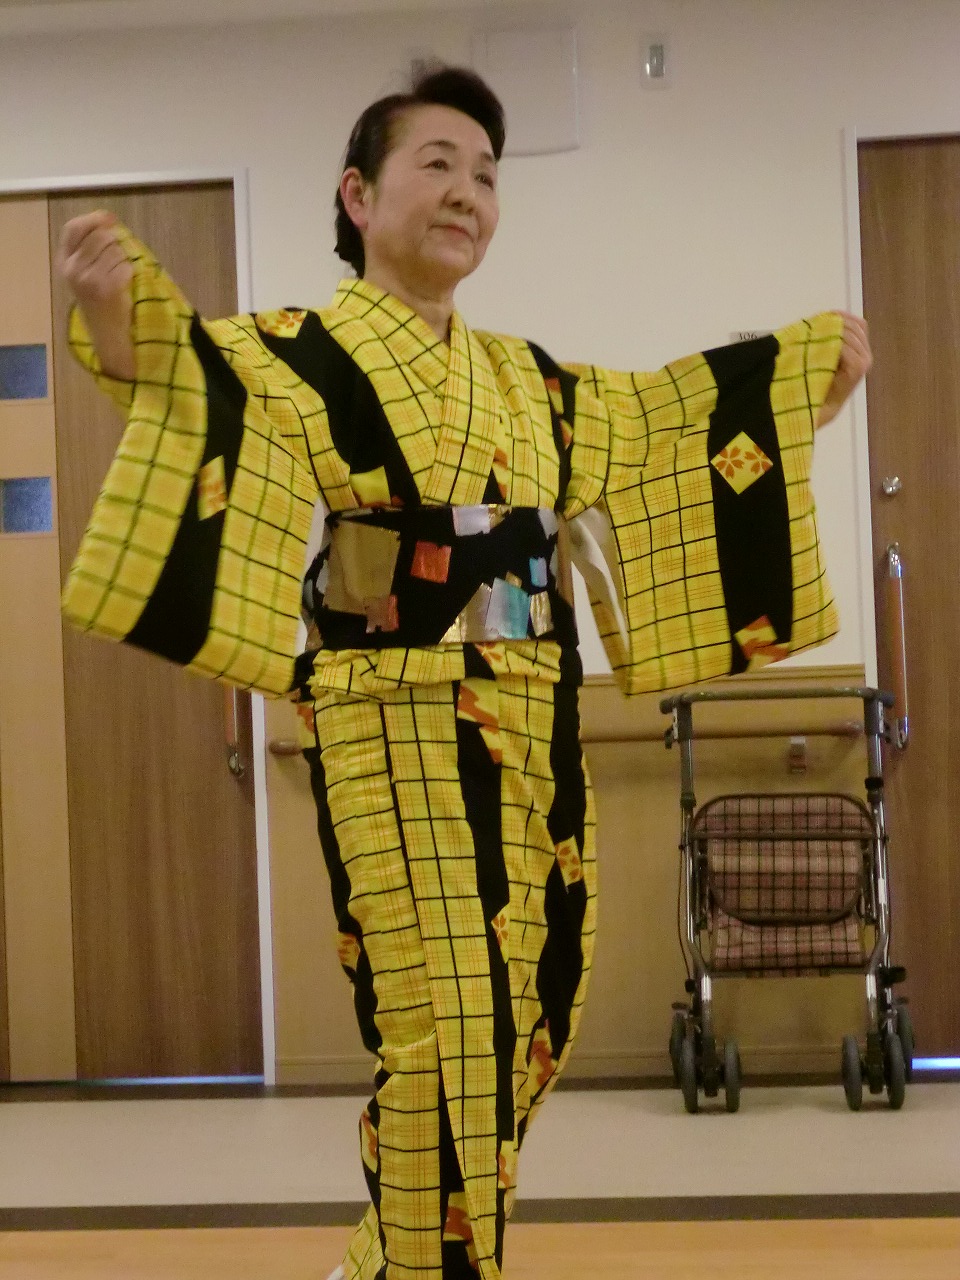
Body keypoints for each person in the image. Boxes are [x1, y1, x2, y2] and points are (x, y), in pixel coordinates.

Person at [57, 64, 871, 1280]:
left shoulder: (530, 380)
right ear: (358, 195)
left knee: (539, 1002)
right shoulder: (301, 353)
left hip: (537, 715)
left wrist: (800, 389)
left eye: (485, 175)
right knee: (447, 1023)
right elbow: (184, 377)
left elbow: (665, 428)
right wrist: (115, 311)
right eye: (436, 163)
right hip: (389, 715)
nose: (467, 192)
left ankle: (387, 1257)